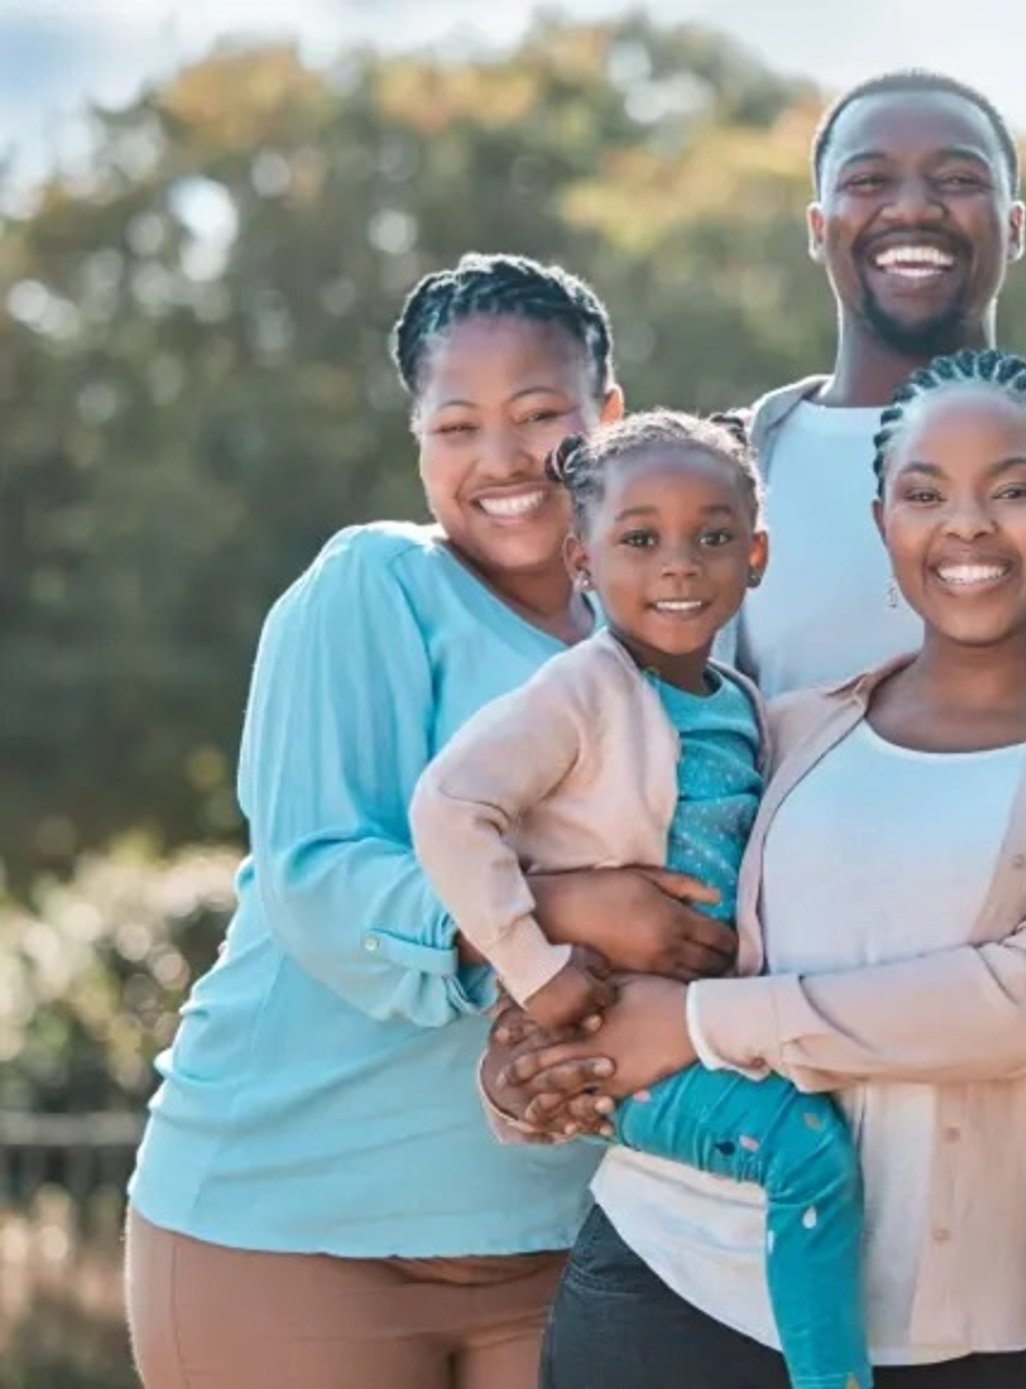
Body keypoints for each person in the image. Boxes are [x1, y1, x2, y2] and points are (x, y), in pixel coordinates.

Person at [488, 349, 1026, 1389]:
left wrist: (699, 1027)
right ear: (885, 526)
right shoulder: (783, 729)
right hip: (666, 1281)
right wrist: (537, 1056)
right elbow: (641, 913)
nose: (966, 526)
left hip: (948, 1339)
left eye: (1012, 491)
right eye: (926, 495)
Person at [123, 253, 736, 1389]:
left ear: (609, 417)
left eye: (541, 417)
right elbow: (316, 879)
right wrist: (563, 911)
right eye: (456, 426)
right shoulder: (369, 590)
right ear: (417, 440)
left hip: (569, 1237)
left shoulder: (680, 637)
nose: (500, 460)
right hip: (288, 1229)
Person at [723, 77, 1026, 1380]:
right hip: (765, 1090)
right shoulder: (732, 475)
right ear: (816, 222)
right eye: (871, 177)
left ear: (1014, 222)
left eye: (954, 175)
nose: (912, 204)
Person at [408, 412, 873, 1389]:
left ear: (757, 555)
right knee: (806, 1155)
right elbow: (450, 810)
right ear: (581, 559)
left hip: (700, 1021)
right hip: (598, 1034)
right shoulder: (582, 689)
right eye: (639, 539)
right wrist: (535, 971)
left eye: (712, 538)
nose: (679, 565)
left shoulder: (740, 702)